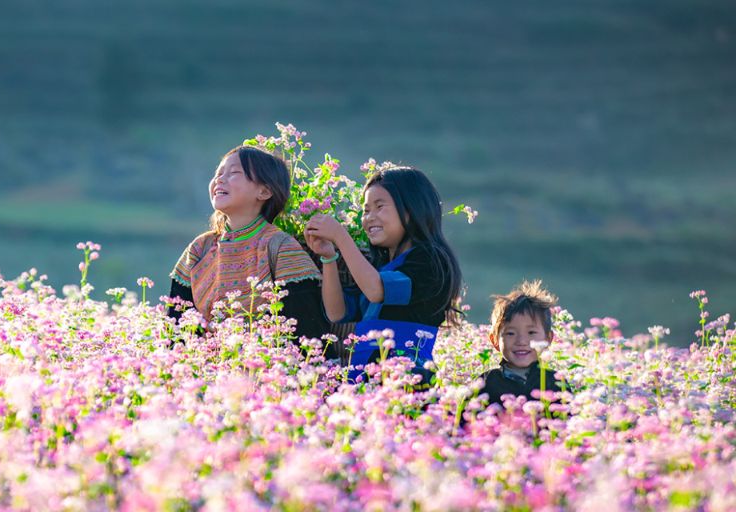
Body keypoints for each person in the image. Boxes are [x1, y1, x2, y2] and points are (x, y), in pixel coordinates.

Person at [304, 167, 463, 384]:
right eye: (366, 210)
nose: (369, 217)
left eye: (379, 207)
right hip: (364, 377)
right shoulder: (381, 269)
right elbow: (337, 312)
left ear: (411, 209)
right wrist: (329, 258)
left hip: (406, 379)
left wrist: (341, 236)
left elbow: (377, 290)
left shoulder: (431, 260)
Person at [167, 145, 330, 345]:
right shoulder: (199, 249)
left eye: (234, 172)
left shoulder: (281, 248)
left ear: (264, 191)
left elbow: (307, 331)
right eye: (218, 173)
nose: (219, 179)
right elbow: (176, 329)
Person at [481, 280, 568, 406]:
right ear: (494, 340)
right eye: (510, 333)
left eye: (531, 333)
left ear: (548, 339)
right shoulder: (486, 382)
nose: (521, 341)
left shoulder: (556, 382)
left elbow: (568, 422)